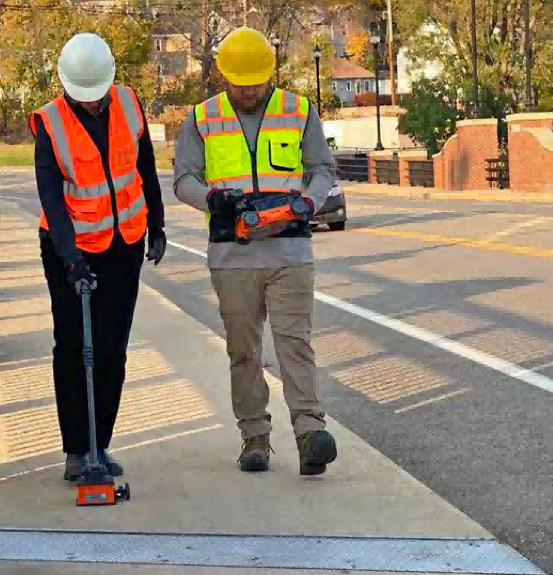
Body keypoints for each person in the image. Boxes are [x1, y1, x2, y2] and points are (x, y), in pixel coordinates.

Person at [173, 26, 339, 476]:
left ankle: (309, 433)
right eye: (238, 81)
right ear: (223, 76)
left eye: (256, 81)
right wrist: (210, 199)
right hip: (232, 256)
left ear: (271, 73)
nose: (248, 89)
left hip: (290, 251)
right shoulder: (201, 118)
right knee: (243, 350)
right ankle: (254, 438)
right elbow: (183, 177)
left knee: (295, 345)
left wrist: (309, 200)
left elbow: (322, 169)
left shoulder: (298, 111)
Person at [29, 32, 167, 481]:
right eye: (82, 97)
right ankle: (75, 451)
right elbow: (51, 199)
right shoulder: (50, 123)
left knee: (112, 348)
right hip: (70, 252)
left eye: (97, 95)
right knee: (73, 348)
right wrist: (71, 260)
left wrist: (158, 226)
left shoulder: (128, 103)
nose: (91, 103)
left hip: (124, 244)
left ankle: (99, 445)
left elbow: (145, 167)